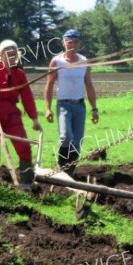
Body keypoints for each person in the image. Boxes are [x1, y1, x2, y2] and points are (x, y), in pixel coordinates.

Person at [0, 39, 42, 187]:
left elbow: (27, 96)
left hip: (11, 114)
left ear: (17, 55)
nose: (11, 56)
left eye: (13, 53)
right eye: (7, 53)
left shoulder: (19, 74)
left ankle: (26, 182)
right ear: (1, 55)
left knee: (24, 146)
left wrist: (34, 118)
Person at [44, 29, 98, 177]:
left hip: (80, 106)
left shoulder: (84, 61)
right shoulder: (57, 61)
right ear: (63, 43)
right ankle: (61, 169)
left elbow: (89, 85)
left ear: (79, 44)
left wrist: (94, 109)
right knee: (66, 136)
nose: (72, 45)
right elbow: (48, 86)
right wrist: (47, 108)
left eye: (75, 42)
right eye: (69, 42)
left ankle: (69, 173)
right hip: (63, 105)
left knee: (77, 142)